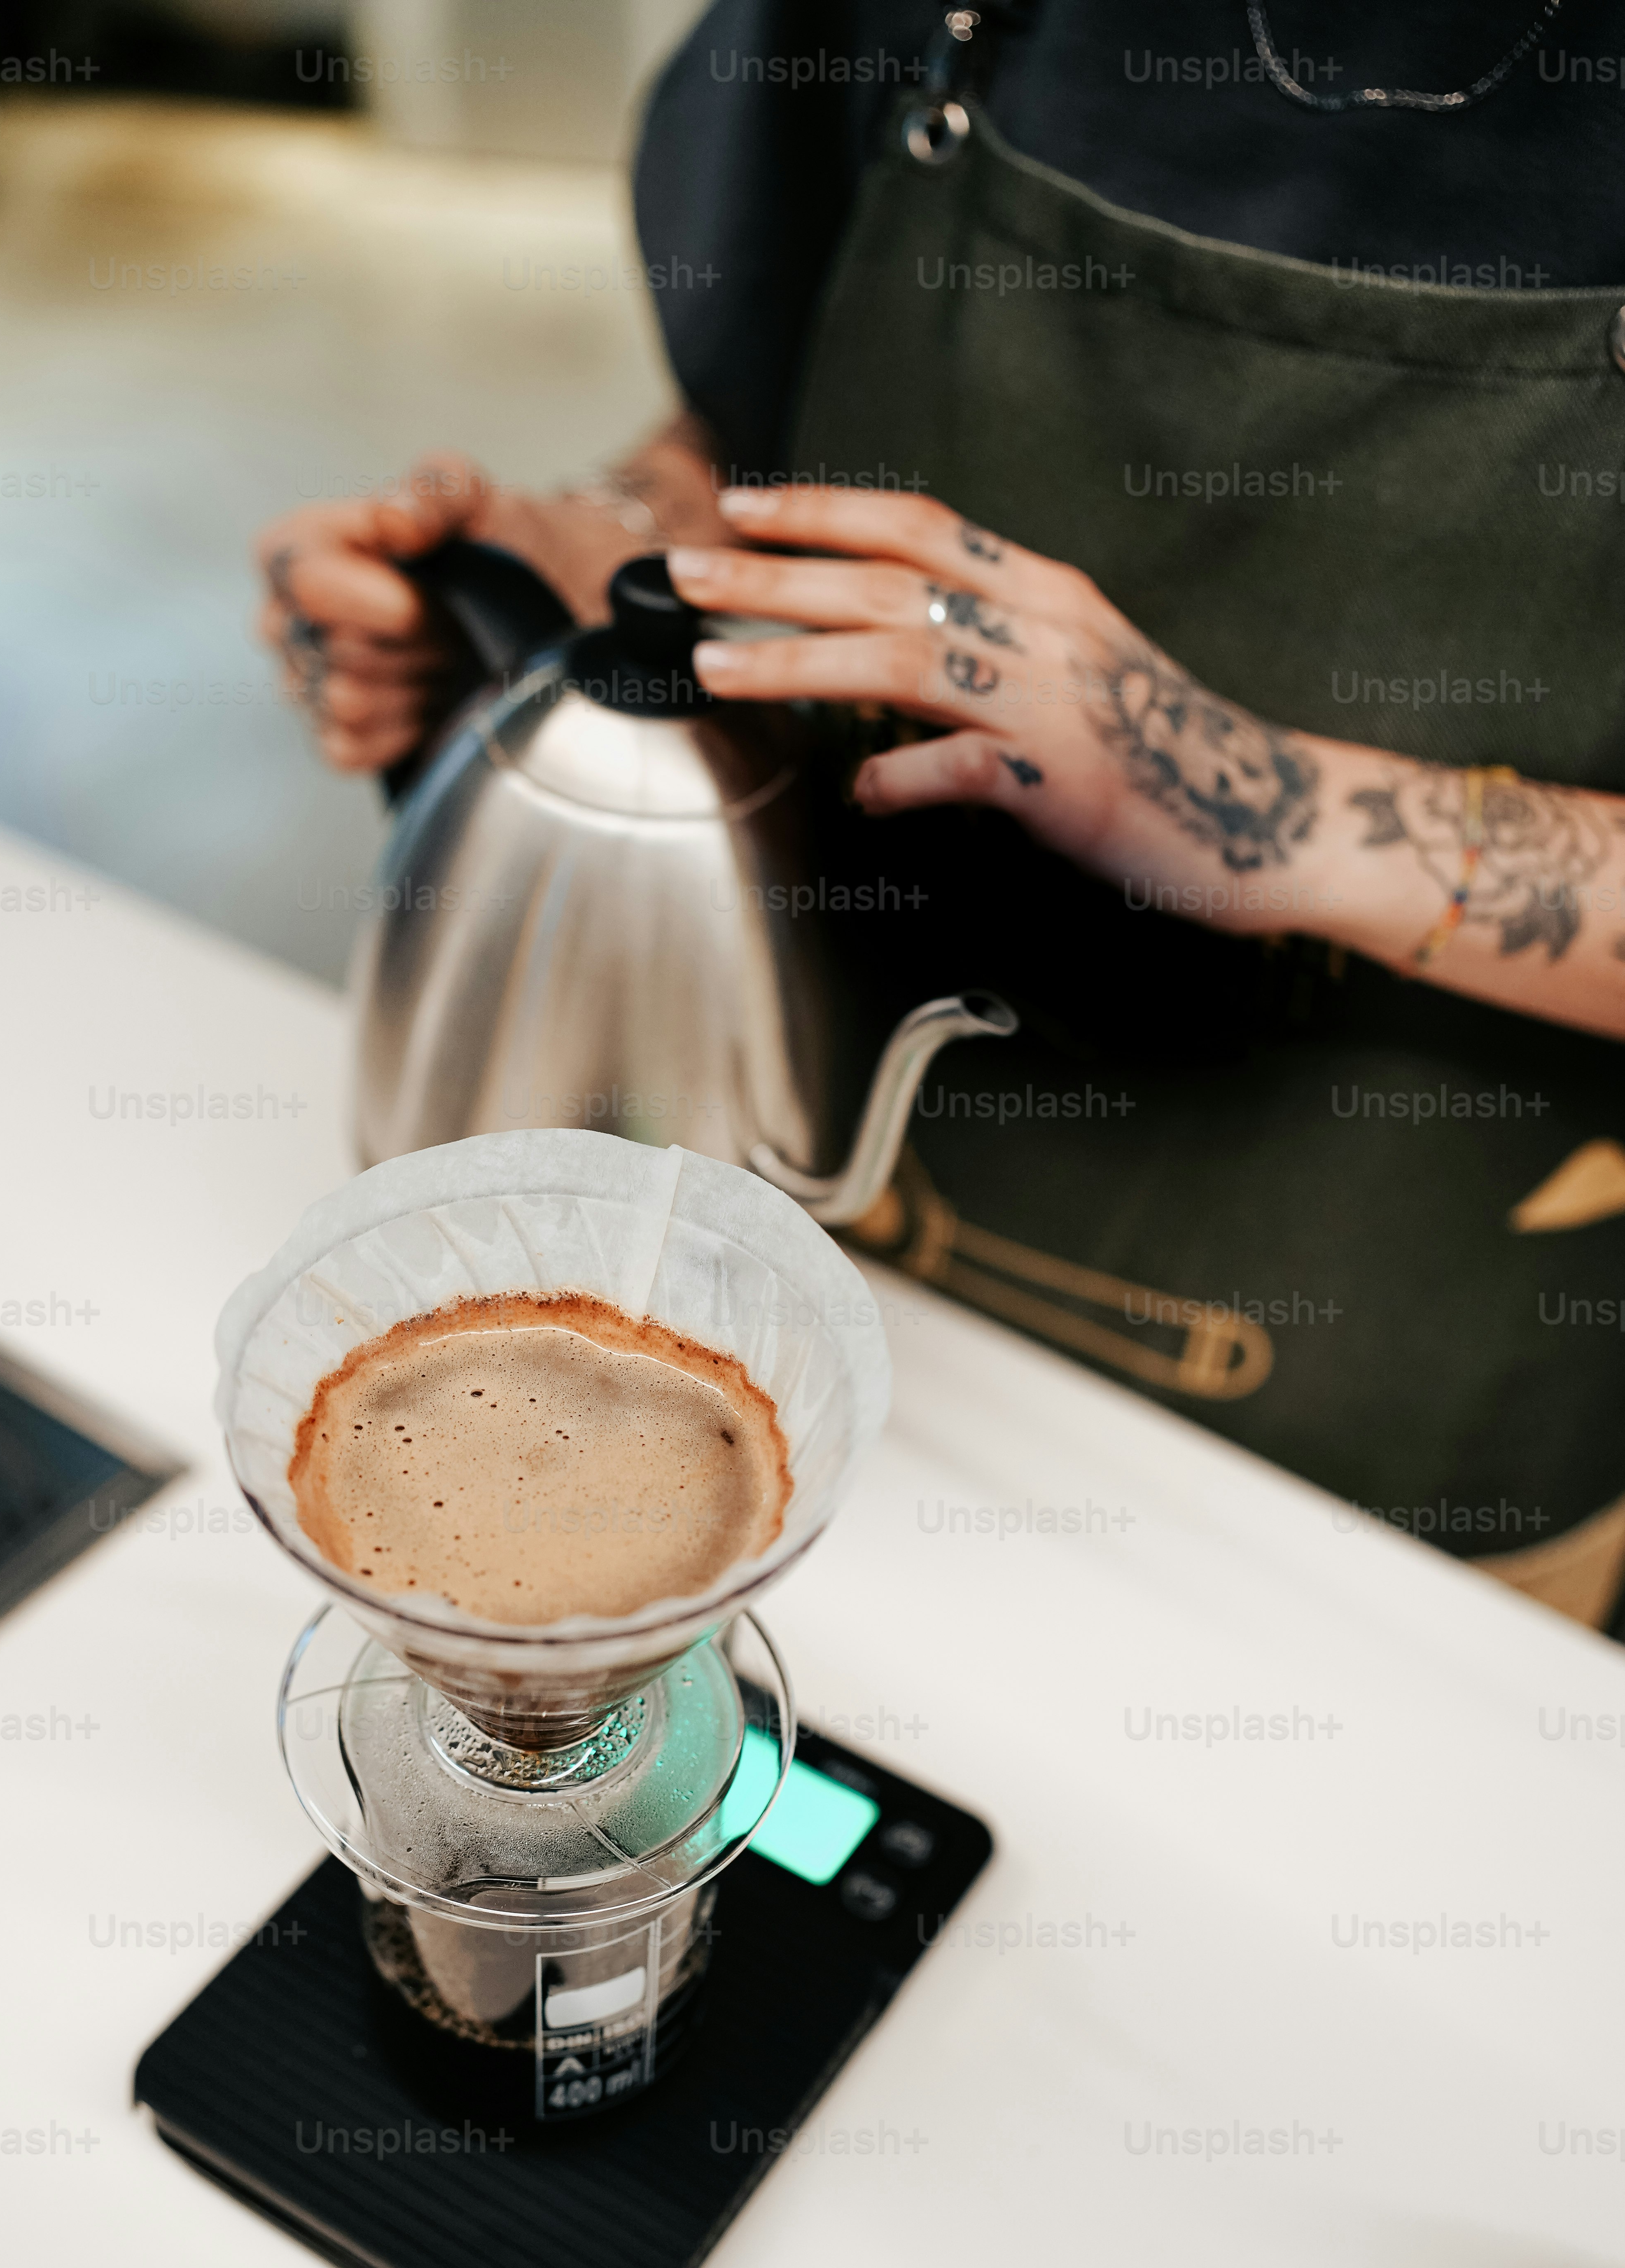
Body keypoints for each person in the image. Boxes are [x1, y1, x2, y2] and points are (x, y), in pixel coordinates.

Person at [254, 0, 1625, 1630]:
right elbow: (760, 424)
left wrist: (1255, 805)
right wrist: (605, 554)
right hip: (794, 1322)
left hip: (1376, 1485)